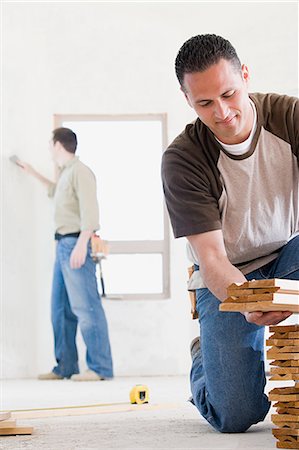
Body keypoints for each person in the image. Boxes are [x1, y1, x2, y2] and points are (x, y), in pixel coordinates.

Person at [161, 34, 299, 432]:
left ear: (245, 75)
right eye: (205, 103)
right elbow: (214, 259)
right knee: (236, 415)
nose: (222, 112)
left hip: (288, 254)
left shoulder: (289, 118)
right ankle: (205, 354)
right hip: (226, 276)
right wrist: (250, 304)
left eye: (229, 93)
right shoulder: (183, 159)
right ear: (188, 99)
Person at [18, 127, 113, 381]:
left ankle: (100, 368)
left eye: (50, 144)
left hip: (75, 244)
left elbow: (90, 213)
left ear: (58, 144)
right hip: (63, 245)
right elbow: (54, 192)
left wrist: (82, 244)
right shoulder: (65, 175)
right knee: (59, 309)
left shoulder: (81, 172)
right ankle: (66, 366)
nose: (49, 148)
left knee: (86, 307)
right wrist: (33, 173)